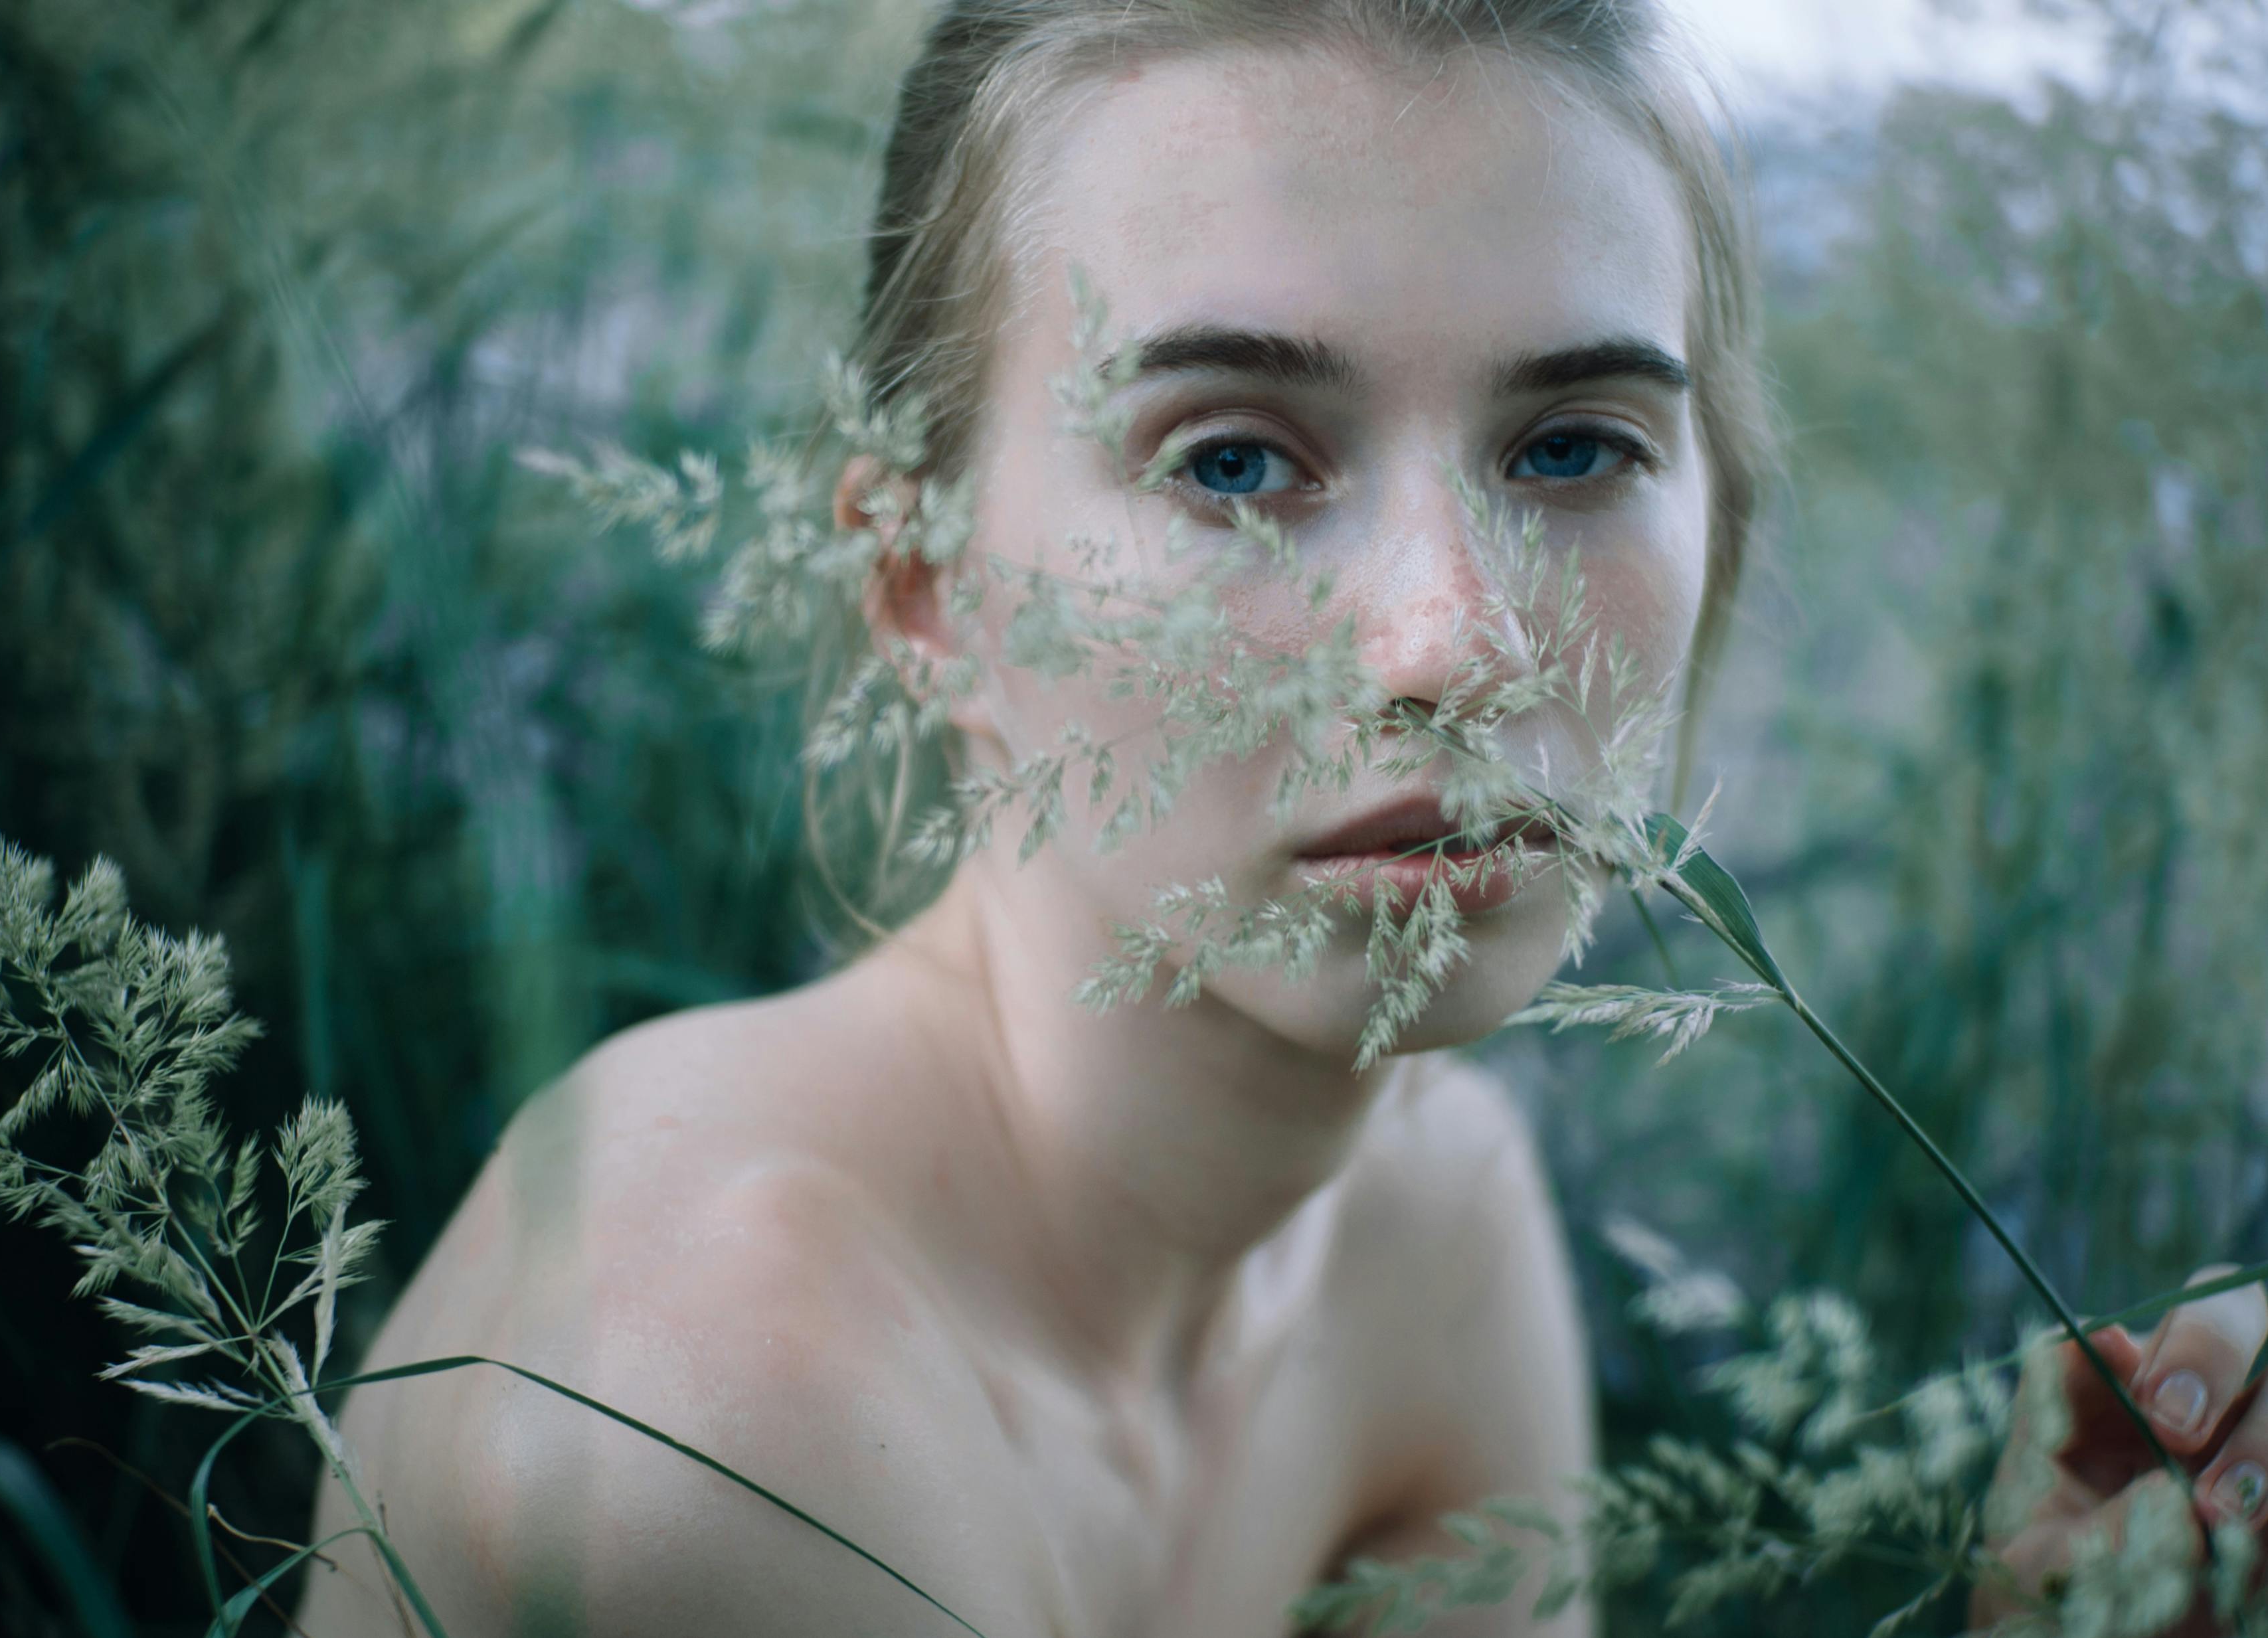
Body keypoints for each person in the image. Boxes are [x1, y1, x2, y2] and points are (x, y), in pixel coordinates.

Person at [299, 2, 2265, 1632]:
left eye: (1572, 446)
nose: (1449, 641)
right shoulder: (712, 1398)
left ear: (1720, 528)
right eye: (1232, 458)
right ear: (920, 583)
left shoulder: (1420, 1211)